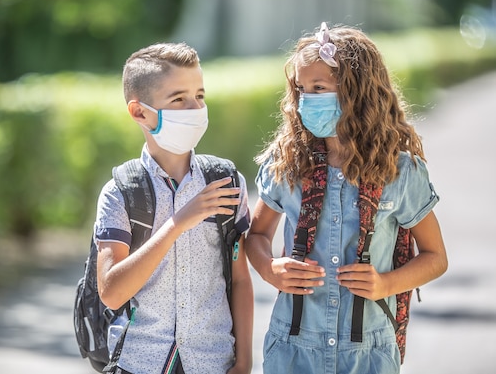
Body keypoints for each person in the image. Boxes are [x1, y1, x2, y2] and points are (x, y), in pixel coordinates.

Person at [245, 23, 448, 374]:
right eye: (302, 89)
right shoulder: (289, 162)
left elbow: (436, 258)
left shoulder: (399, 171)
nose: (307, 99)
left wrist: (387, 284)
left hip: (368, 352)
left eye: (319, 88)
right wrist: (269, 268)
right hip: (292, 349)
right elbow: (257, 236)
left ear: (355, 92)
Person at [94, 42, 254, 374]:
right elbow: (111, 292)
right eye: (178, 98)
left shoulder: (226, 183)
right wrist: (176, 224)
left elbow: (239, 279)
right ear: (140, 112)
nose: (195, 107)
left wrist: (244, 361)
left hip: (213, 361)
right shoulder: (120, 193)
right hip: (139, 363)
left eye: (200, 95)